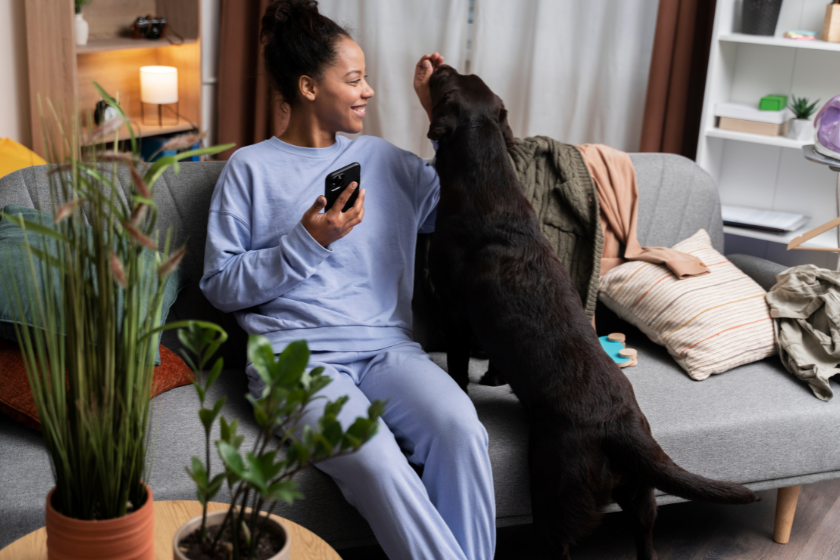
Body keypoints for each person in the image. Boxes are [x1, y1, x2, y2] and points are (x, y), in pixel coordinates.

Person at [199, 1, 496, 558]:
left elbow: (462, 203)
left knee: (462, 430)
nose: (368, 92)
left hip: (388, 351)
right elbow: (219, 283)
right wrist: (307, 241)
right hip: (295, 362)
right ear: (308, 88)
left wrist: (438, 112)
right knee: (375, 457)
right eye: (354, 79)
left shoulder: (385, 160)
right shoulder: (250, 169)